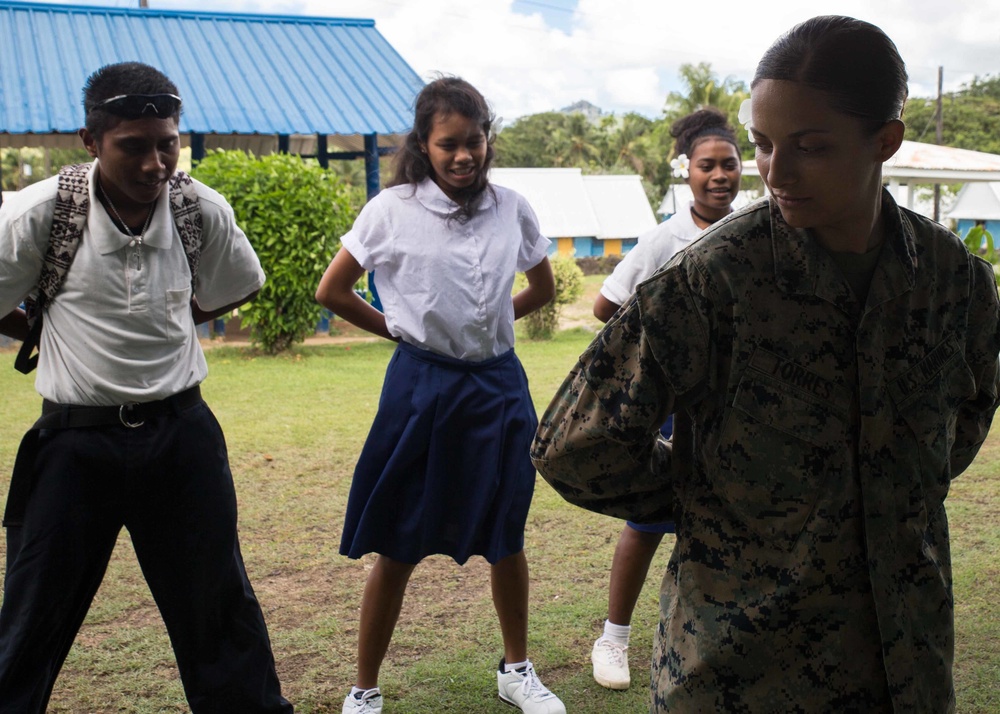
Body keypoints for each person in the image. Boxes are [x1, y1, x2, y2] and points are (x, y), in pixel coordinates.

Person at [531, 15, 1000, 713]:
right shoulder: (714, 281)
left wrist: (882, 488)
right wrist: (714, 500)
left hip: (905, 666)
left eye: (810, 147)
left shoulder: (954, 281)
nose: (776, 172)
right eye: (764, 145)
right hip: (740, 670)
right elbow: (573, 444)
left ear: (885, 141)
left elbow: (963, 421)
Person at [0, 62, 292, 713]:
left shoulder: (200, 210)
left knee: (219, 613)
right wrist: (42, 328)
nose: (156, 163)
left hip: (181, 439)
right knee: (29, 619)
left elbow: (229, 288)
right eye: (134, 145)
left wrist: (170, 320)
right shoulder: (42, 213)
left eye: (167, 142)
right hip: (74, 444)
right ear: (91, 140)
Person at [315, 76, 565, 714]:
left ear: (488, 141)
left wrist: (492, 323)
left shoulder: (512, 206)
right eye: (448, 144)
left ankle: (517, 670)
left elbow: (543, 287)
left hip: (500, 387)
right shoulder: (390, 209)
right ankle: (364, 688)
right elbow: (333, 291)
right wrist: (396, 328)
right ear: (423, 146)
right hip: (422, 387)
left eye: (474, 141)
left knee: (507, 532)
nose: (464, 156)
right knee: (399, 537)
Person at [589, 108, 742, 691]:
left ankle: (717, 640)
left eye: (729, 164)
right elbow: (606, 308)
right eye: (708, 165)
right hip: (679, 407)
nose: (720, 175)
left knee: (727, 522)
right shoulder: (663, 240)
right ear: (688, 172)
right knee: (648, 519)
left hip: (740, 408)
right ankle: (614, 638)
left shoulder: (757, 226)